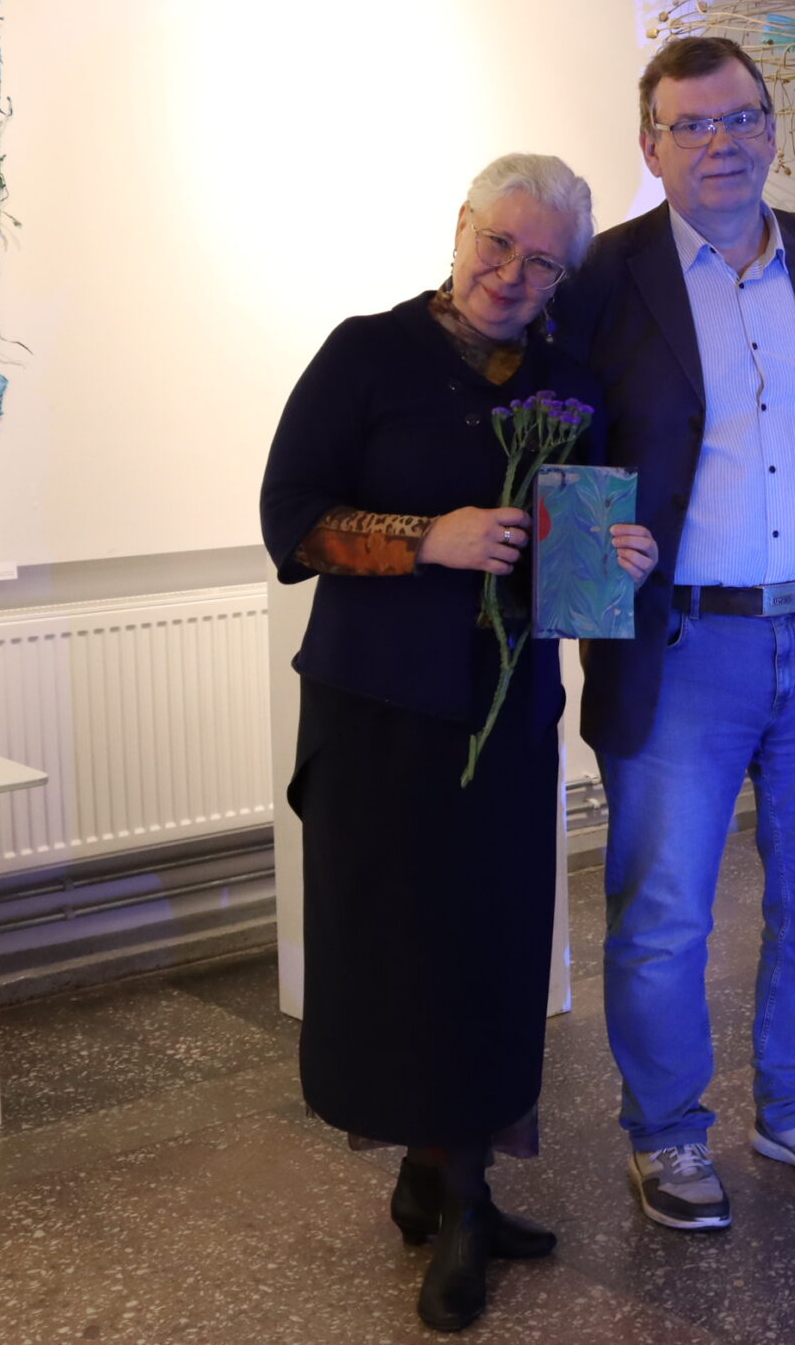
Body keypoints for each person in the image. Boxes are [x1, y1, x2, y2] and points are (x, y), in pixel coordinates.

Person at [260, 154, 657, 1332]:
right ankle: (451, 1190)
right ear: (461, 227)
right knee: (396, 956)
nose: (512, 275)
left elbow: (569, 587)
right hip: (377, 716)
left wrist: (615, 562)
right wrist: (424, 538)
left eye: (544, 262)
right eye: (498, 244)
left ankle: (449, 1184)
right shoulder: (366, 354)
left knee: (488, 956)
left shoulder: (569, 384)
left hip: (502, 716)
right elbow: (291, 519)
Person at [563, 35, 795, 1233]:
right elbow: (562, 442)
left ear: (771, 128)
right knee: (662, 913)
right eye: (691, 125)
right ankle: (665, 1129)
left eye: (740, 117)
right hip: (682, 646)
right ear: (650, 146)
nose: (720, 143)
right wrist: (584, 577)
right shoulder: (604, 277)